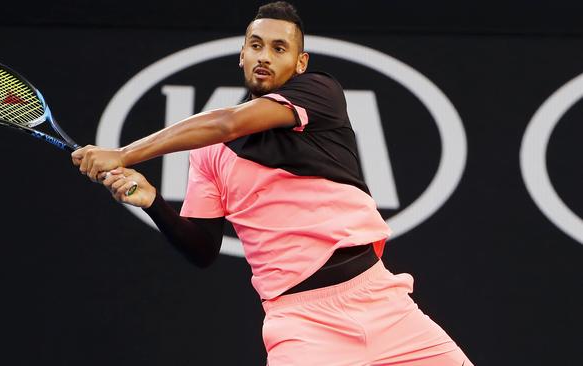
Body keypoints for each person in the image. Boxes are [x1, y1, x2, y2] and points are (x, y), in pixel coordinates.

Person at [72, 2, 473, 365]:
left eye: (279, 48)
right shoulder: (210, 154)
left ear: (300, 63)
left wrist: (123, 153)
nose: (265, 56)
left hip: (382, 303)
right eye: (256, 45)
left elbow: (228, 122)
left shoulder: (321, 93)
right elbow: (202, 249)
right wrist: (154, 203)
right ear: (242, 54)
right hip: (301, 325)